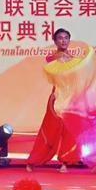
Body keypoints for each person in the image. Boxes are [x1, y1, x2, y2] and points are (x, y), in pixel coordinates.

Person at [26, 29, 85, 173]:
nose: (63, 41)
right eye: (60, 38)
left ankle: (65, 162)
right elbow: (55, 73)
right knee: (50, 129)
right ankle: (34, 160)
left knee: (69, 130)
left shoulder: (75, 60)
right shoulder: (51, 58)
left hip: (71, 97)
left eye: (66, 38)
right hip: (57, 96)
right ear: (55, 41)